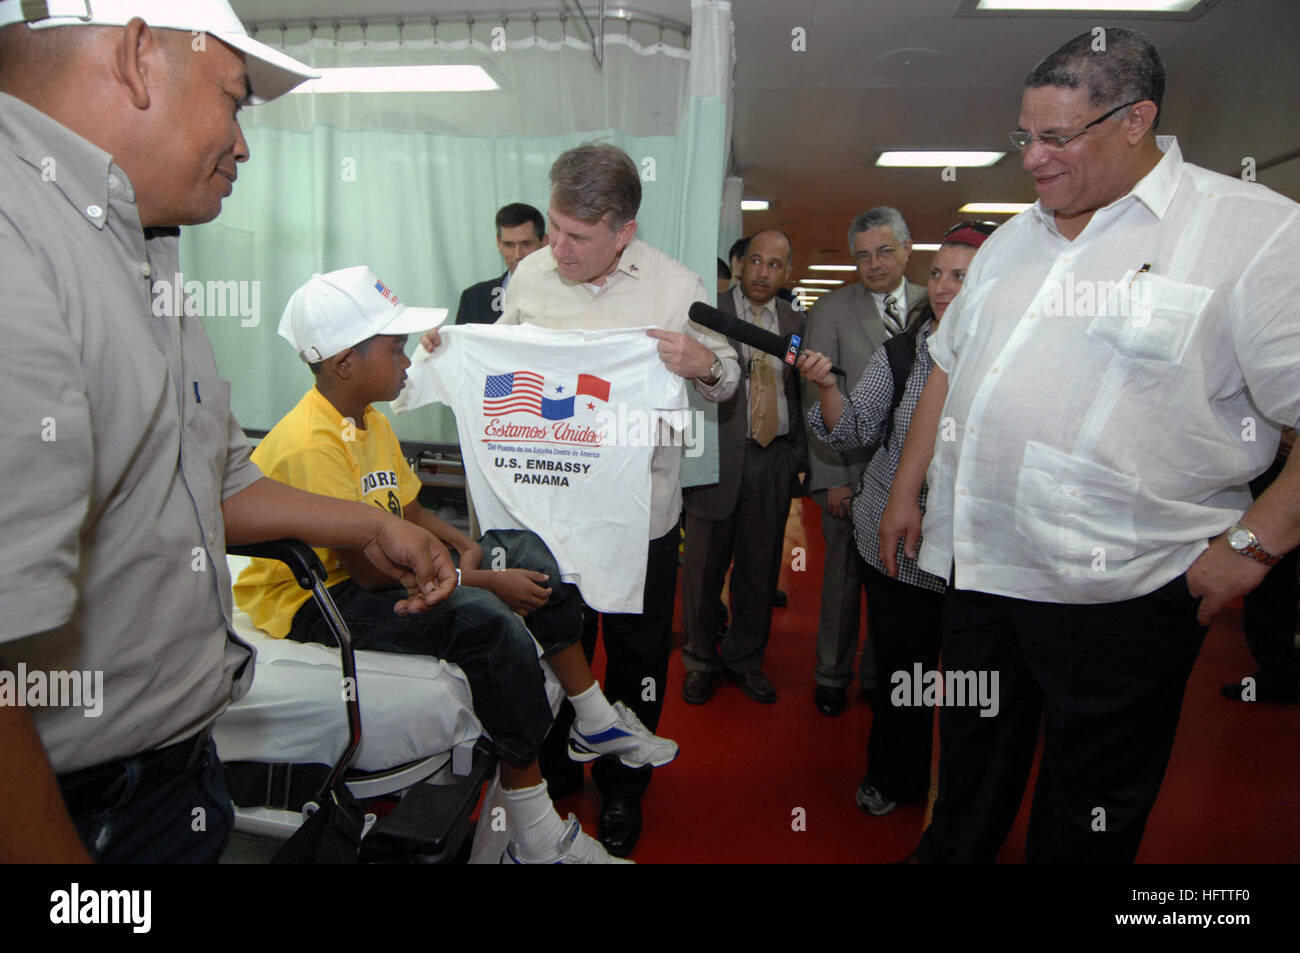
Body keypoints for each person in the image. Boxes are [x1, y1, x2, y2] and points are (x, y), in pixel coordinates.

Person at [0, 2, 459, 864]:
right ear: (139, 57)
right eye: (236, 99)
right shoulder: (19, 246)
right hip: (78, 807)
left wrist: (368, 523)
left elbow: (206, 476)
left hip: (173, 770)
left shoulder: (138, 246)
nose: (244, 144)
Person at [880, 27, 1300, 863]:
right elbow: (949, 368)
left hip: (1126, 592)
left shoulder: (1253, 233)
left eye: (1056, 138)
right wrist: (906, 487)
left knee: (1088, 810)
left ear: (1137, 120)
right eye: (1023, 137)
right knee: (968, 778)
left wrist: (1249, 549)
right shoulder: (1008, 242)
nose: (1032, 160)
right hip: (985, 572)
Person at [235, 266, 679, 863]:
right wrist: (482, 581)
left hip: (363, 577)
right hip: (319, 604)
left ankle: (592, 715)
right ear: (345, 362)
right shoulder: (311, 442)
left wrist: (464, 544)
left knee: (528, 553)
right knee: (486, 624)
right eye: (394, 349)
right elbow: (367, 572)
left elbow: (409, 507)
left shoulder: (371, 421)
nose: (407, 362)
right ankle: (535, 831)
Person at [422, 143, 739, 856]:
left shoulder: (676, 286)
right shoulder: (532, 275)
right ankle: (559, 766)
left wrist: (707, 365)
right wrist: (453, 348)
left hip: (640, 517)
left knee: (635, 654)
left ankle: (626, 790)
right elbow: (500, 360)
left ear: (623, 231)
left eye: (577, 236)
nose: (556, 248)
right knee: (553, 642)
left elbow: (727, 383)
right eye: (554, 229)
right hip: (549, 514)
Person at [799, 222, 996, 816]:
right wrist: (829, 385)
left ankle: (970, 800)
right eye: (937, 273)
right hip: (898, 544)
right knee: (905, 673)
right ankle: (895, 774)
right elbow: (854, 428)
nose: (941, 287)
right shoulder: (906, 350)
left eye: (959, 276)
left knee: (975, 687)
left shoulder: (1011, 357)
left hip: (980, 551)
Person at [802, 207, 925, 717]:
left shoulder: (933, 304)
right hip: (849, 469)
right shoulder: (830, 310)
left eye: (884, 251)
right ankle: (832, 673)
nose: (873, 264)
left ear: (907, 248)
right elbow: (814, 394)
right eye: (862, 255)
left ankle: (880, 675)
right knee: (843, 579)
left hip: (912, 479)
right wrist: (832, 479)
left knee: (899, 582)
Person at [681, 229, 806, 705]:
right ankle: (700, 660)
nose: (763, 272)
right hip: (716, 459)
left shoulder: (795, 321)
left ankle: (745, 660)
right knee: (703, 573)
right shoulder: (711, 314)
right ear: (739, 264)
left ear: (786, 272)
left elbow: (796, 390)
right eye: (756, 261)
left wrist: (797, 460)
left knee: (759, 570)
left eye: (775, 264)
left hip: (772, 460)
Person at [1221, 429, 1299, 703]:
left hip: (1283, 477)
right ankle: (1279, 667)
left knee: (1271, 570)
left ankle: (1280, 670)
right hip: (1277, 467)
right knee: (1273, 573)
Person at [455, 202, 546, 326]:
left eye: (526, 244)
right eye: (509, 245)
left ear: (545, 242)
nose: (518, 255)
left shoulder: (564, 295)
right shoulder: (474, 299)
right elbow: (460, 344)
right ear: (499, 243)